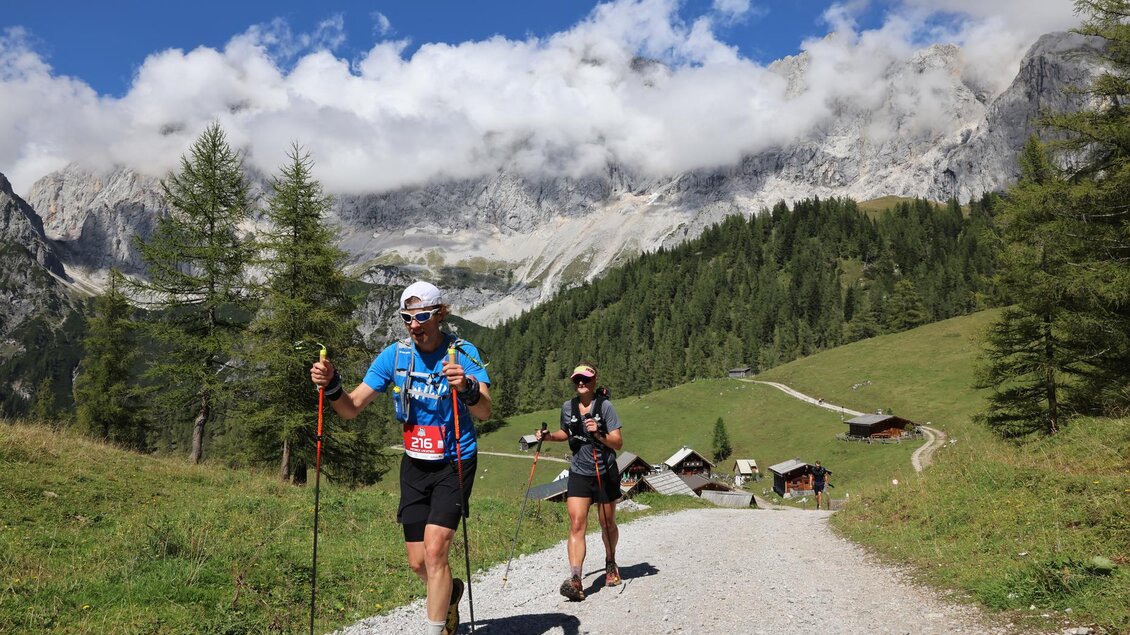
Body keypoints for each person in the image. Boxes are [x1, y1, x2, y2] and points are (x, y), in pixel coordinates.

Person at [311, 281, 490, 635]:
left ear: (440, 314)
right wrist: (331, 384)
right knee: (418, 562)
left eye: (422, 316)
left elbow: (484, 410)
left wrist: (467, 388)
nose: (414, 324)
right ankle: (449, 593)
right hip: (415, 463)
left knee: (436, 550)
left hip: (455, 460)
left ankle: (435, 629)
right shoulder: (394, 355)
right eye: (407, 317)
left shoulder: (463, 351)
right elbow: (350, 409)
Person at [534, 363, 623, 601]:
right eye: (577, 380)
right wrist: (549, 436)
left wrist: (598, 434)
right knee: (576, 524)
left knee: (607, 523)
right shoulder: (568, 407)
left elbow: (618, 442)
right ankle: (575, 578)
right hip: (579, 473)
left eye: (585, 378)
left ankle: (611, 563)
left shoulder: (605, 406)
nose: (581, 383)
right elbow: (567, 432)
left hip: (604, 472)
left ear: (594, 381)